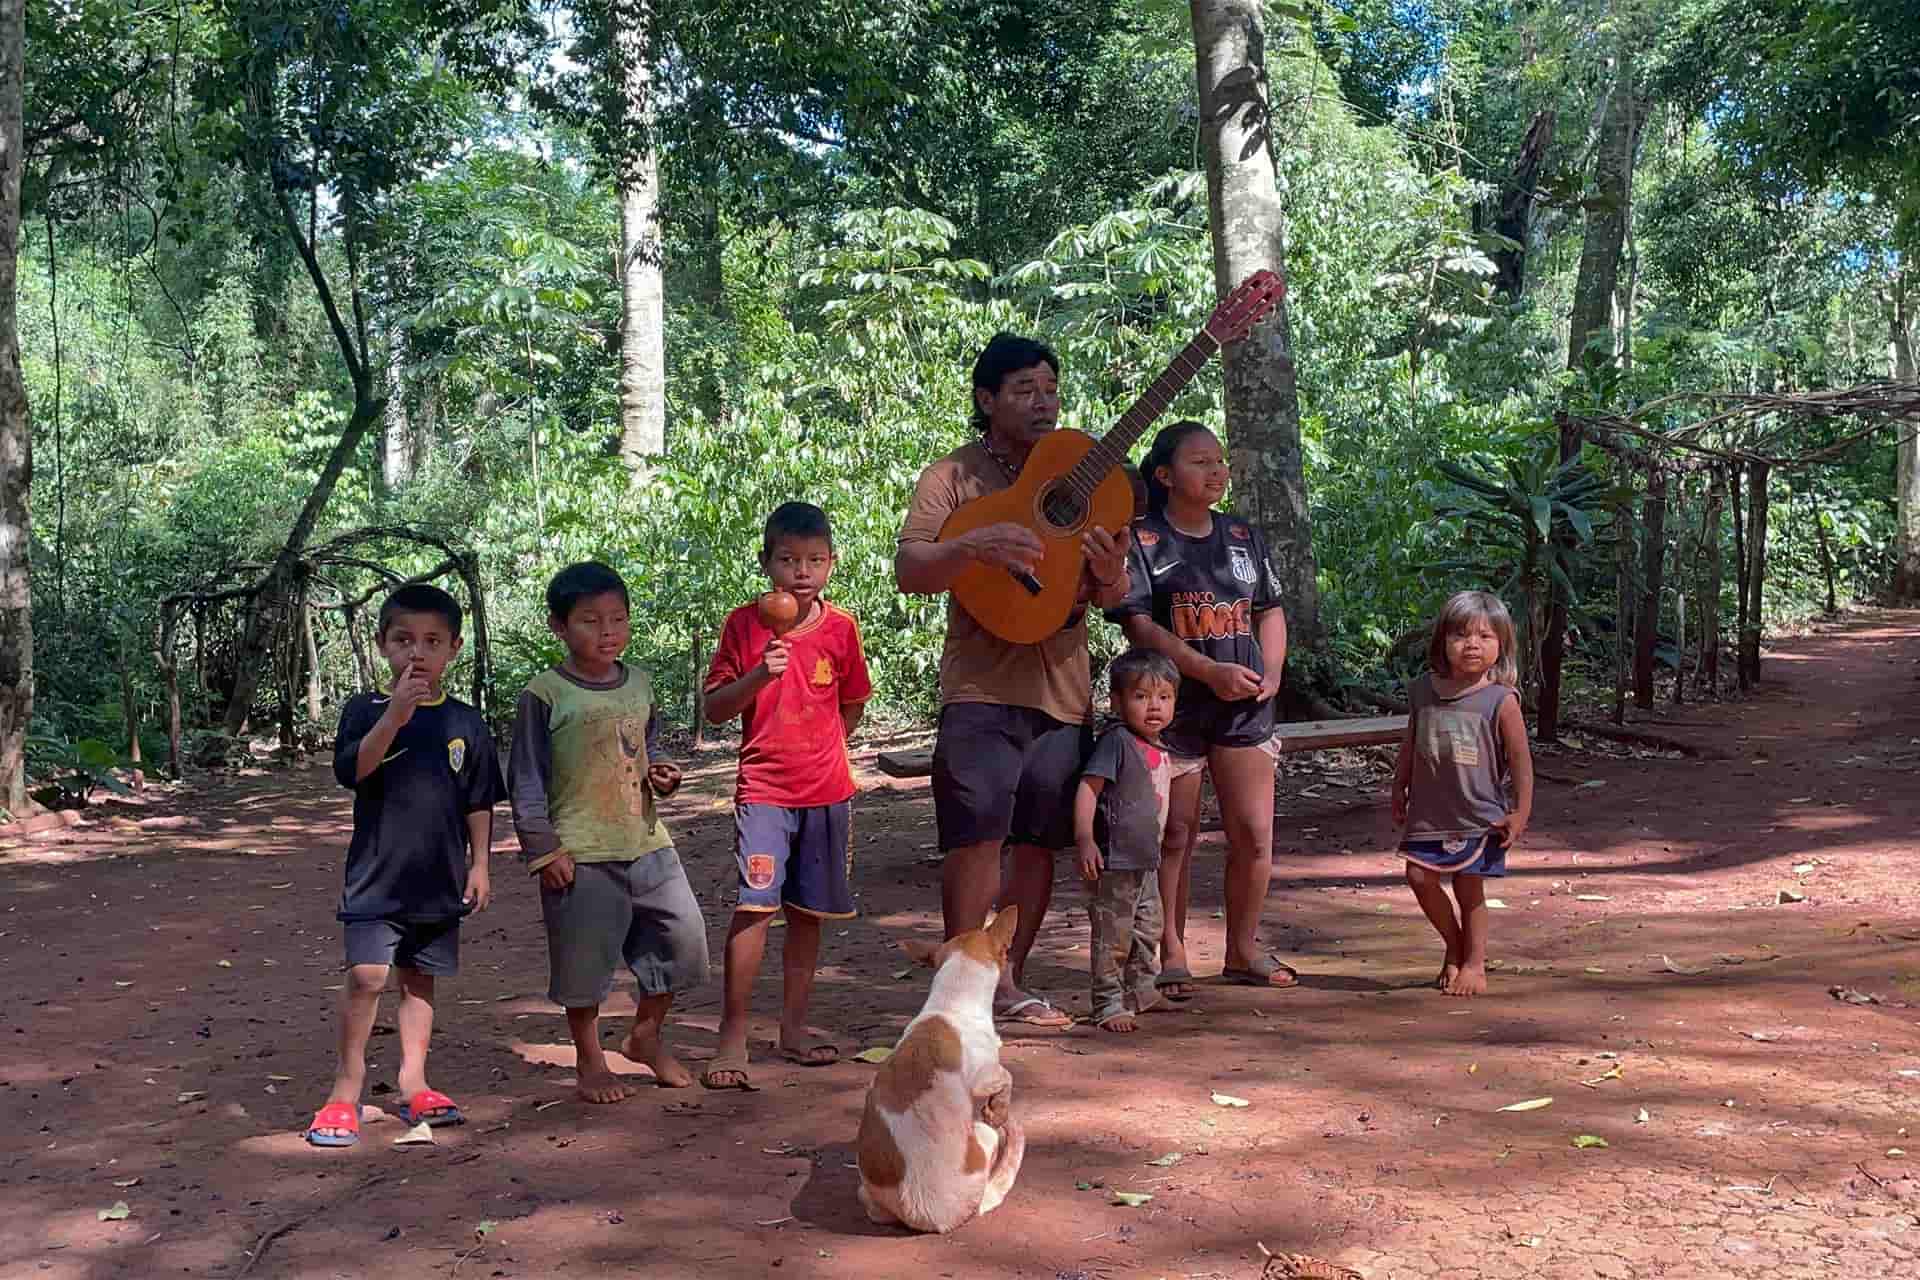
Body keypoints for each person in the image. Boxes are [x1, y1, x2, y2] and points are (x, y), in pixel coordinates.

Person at [895, 332, 1132, 1027]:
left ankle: (1009, 982)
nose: (1043, 402)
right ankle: (959, 990)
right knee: (976, 838)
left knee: (1036, 842)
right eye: (1025, 389)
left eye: (1051, 389)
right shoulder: (952, 477)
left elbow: (1115, 599)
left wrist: (1113, 569)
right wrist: (969, 547)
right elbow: (911, 571)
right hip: (978, 689)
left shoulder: (1085, 476)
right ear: (986, 399)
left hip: (1063, 687)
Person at [307, 583, 505, 1147]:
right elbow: (354, 771)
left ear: (454, 649)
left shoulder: (466, 722)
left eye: (431, 641)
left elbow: (479, 800)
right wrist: (395, 715)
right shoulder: (365, 710)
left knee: (420, 981)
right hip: (375, 875)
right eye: (403, 640)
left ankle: (413, 1079)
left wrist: (481, 865)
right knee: (367, 976)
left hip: (438, 877)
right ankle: (346, 1087)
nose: (417, 652)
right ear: (382, 645)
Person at [1110, 421, 1296, 995]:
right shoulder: (1141, 541)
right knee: (1176, 835)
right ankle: (1171, 949)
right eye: (1200, 462)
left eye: (1220, 461)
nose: (1217, 471)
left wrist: (1271, 671)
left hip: (1244, 709)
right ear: (1164, 475)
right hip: (1171, 711)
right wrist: (1206, 672)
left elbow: (1269, 608)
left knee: (1253, 834)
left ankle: (1242, 950)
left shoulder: (1243, 536)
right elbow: (1139, 624)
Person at [509, 562, 706, 1100]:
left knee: (683, 941)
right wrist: (544, 851)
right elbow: (524, 779)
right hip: (581, 852)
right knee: (584, 964)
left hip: (647, 842)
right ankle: (590, 1059)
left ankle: (645, 1036)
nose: (608, 631)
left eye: (618, 619)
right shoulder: (544, 694)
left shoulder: (638, 683)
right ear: (559, 626)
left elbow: (648, 746)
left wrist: (664, 772)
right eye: (591, 621)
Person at [699, 502, 873, 1089]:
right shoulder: (744, 626)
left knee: (806, 913)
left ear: (832, 563)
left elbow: (851, 702)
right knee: (755, 907)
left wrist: (827, 751)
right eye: (788, 560)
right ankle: (733, 1035)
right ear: (766, 562)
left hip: (826, 790)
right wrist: (759, 676)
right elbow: (717, 710)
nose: (802, 572)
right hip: (764, 787)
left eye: (815, 560)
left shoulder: (842, 628)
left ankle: (793, 1029)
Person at [1391, 589, 1534, 998]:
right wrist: (1398, 785)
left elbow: (1522, 761)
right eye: (1461, 635)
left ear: (1501, 645)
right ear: (1443, 642)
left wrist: (1520, 813)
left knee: (1470, 889)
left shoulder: (1501, 700)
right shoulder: (1422, 691)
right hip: (1429, 811)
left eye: (1485, 636)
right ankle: (1453, 945)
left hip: (1479, 813)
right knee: (1418, 876)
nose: (1472, 644)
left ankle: (1474, 962)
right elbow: (1412, 740)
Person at [1074, 649, 1179, 1032]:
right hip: (1115, 861)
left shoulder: (1159, 744)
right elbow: (1088, 788)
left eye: (1164, 697)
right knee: (1112, 935)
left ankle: (1142, 991)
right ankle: (1107, 1003)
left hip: (1145, 860)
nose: (1154, 707)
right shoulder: (1116, 741)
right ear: (1117, 702)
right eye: (1141, 697)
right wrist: (1085, 838)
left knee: (1148, 928)